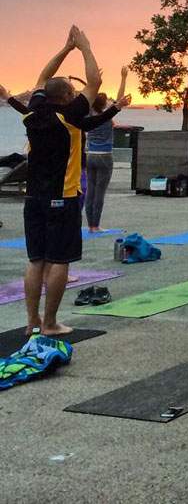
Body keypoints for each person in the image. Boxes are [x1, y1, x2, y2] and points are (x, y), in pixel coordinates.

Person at [19, 26, 102, 335]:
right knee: (59, 260)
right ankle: (50, 322)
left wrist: (66, 48)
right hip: (62, 197)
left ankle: (32, 322)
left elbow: (42, 78)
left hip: (33, 198)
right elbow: (94, 82)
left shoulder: (34, 110)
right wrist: (84, 46)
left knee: (36, 260)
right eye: (72, 92)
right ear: (67, 97)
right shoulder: (69, 116)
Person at [83, 66, 130, 233]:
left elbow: (86, 97)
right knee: (100, 193)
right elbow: (120, 100)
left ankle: (90, 225)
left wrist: (93, 83)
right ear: (104, 104)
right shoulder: (106, 116)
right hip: (105, 156)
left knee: (90, 191)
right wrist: (123, 77)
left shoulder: (87, 114)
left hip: (90, 156)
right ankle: (96, 225)